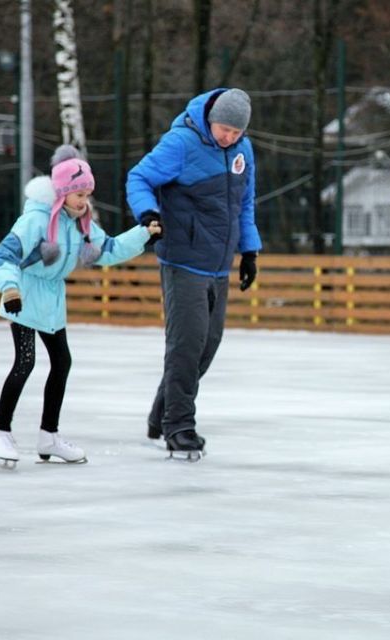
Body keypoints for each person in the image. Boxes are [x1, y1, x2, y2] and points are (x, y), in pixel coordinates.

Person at [0, 145, 162, 467]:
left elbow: (107, 249)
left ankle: (48, 436)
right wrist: (10, 287)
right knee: (25, 363)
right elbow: (2, 257)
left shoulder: (80, 224)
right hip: (23, 297)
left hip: (52, 301)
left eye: (87, 194)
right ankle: (0, 432)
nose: (84, 201)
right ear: (62, 193)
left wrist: (142, 234)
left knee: (62, 362)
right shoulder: (35, 220)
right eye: (78, 194)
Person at [125, 87, 262, 461]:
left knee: (208, 344)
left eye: (236, 133)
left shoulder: (242, 150)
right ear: (210, 118)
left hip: (219, 262)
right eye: (224, 130)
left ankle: (160, 415)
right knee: (186, 344)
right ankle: (179, 426)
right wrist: (149, 215)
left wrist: (248, 251)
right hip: (183, 258)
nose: (229, 138)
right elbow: (138, 178)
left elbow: (244, 203)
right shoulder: (181, 143)